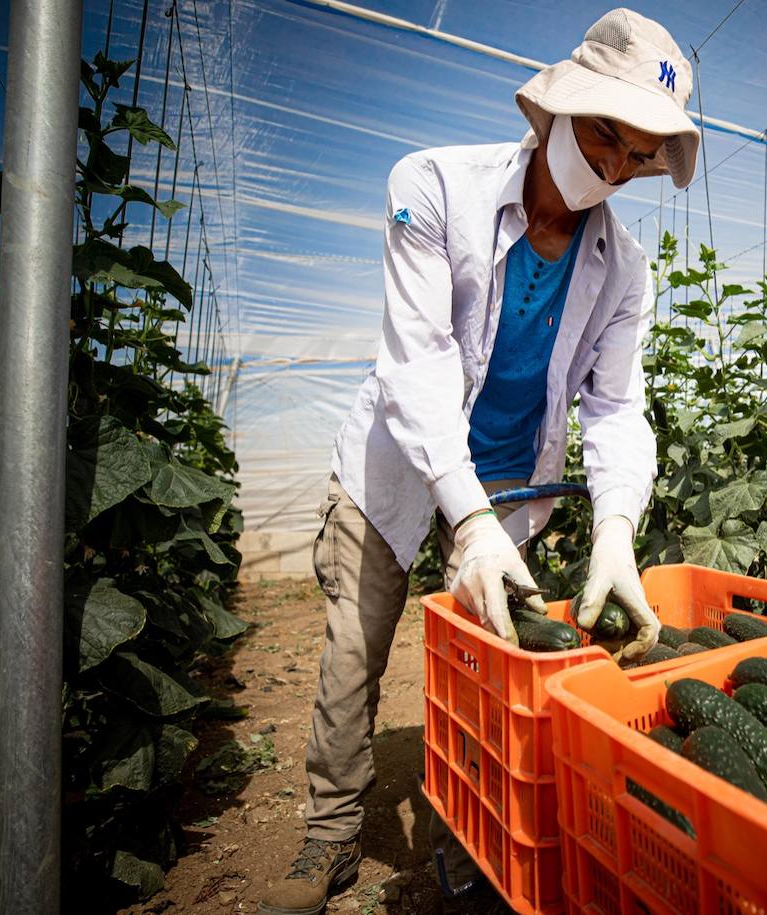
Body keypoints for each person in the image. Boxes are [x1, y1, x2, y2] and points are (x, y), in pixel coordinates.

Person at [256, 9, 699, 915]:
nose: (613, 168)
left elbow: (615, 406)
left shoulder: (625, 269)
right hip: (396, 470)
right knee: (354, 645)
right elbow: (415, 368)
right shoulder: (431, 187)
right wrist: (461, 516)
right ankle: (329, 833)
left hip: (507, 491)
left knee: (494, 656)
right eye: (603, 136)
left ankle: (476, 827)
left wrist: (615, 533)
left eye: (636, 155)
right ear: (557, 111)